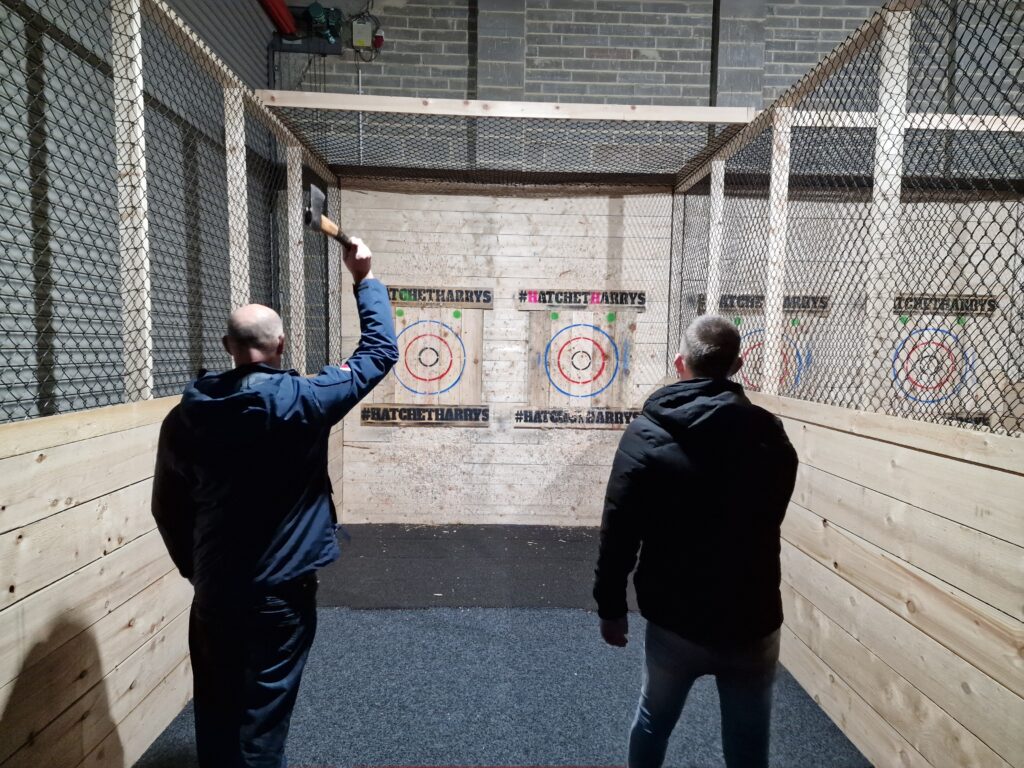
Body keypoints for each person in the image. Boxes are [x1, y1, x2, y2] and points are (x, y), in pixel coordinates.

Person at [152, 237, 398, 768]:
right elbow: (379, 353)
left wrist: (199, 570)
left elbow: (166, 508)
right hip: (281, 597)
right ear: (282, 345)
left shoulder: (185, 417)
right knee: (262, 719)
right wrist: (364, 278)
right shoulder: (307, 400)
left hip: (216, 590)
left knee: (216, 712)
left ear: (227, 345)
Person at [593, 314, 798, 768]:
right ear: (738, 364)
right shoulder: (770, 433)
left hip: (675, 619)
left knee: (653, 720)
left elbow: (619, 531)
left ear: (679, 363)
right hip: (753, 616)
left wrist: (610, 607)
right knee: (749, 743)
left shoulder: (647, 434)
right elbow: (771, 515)